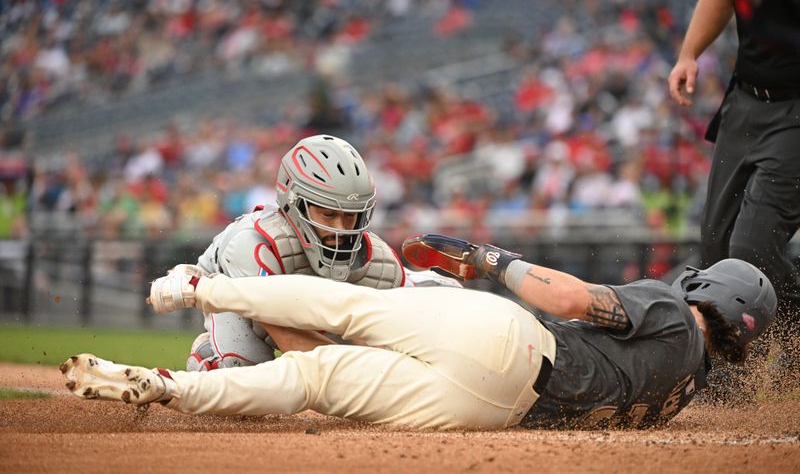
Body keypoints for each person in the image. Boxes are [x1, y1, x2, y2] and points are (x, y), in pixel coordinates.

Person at [61, 239, 776, 430]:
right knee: (318, 380)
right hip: (496, 410)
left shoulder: (673, 313)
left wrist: (493, 260)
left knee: (343, 309)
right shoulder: (683, 393)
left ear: (712, 293)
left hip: (518, 341)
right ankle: (166, 388)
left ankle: (196, 286)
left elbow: (572, 297)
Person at [183, 134, 458, 371]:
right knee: (240, 374)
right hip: (243, 304)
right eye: (328, 214)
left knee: (445, 297)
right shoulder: (252, 245)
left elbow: (380, 337)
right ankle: (208, 356)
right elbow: (291, 340)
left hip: (312, 306)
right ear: (295, 203)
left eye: (351, 216)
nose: (341, 230)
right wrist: (365, 373)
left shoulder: (379, 262)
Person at [667, 0, 800, 386]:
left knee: (752, 248)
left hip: (796, 115)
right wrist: (689, 54)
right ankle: (728, 382)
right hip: (745, 102)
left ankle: (792, 345)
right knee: (717, 245)